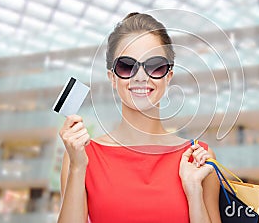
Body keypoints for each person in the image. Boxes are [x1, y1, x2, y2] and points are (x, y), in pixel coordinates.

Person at [57, 12, 221, 223]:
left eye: (154, 66)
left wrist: (194, 193)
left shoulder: (199, 157)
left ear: (168, 76)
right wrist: (78, 168)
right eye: (127, 66)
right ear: (112, 78)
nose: (141, 77)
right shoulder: (81, 157)